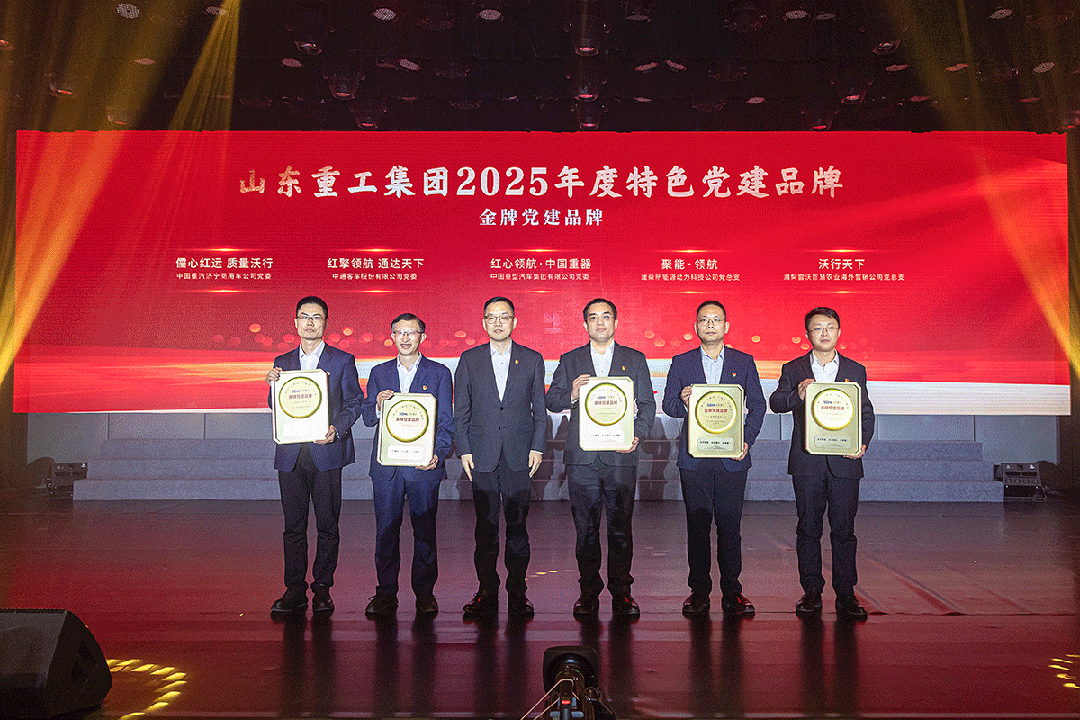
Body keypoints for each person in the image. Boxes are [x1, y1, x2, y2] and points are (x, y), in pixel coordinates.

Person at [546, 298, 656, 617]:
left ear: (616, 322)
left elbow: (647, 405)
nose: (600, 322)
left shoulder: (634, 359)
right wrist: (571, 394)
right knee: (586, 531)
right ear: (585, 325)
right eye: (593, 317)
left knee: (621, 530)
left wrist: (637, 435)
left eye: (606, 316)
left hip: (621, 455)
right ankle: (588, 591)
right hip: (583, 459)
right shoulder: (571, 360)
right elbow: (552, 400)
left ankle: (622, 592)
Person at [769, 307, 875, 620]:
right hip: (807, 462)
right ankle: (812, 591)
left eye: (830, 327)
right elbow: (776, 402)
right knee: (808, 529)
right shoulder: (794, 368)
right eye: (818, 328)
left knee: (844, 531)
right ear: (808, 334)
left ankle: (846, 594)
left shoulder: (855, 370)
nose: (824, 333)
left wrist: (862, 443)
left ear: (839, 331)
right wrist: (796, 396)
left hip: (845, 461)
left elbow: (865, 413)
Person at [661, 300, 766, 616]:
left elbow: (758, 405)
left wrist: (746, 440)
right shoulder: (681, 362)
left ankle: (733, 592)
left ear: (726, 326)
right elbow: (668, 405)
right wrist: (682, 401)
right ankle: (698, 592)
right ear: (695, 326)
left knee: (730, 527)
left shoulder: (743, 361)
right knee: (697, 527)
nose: (710, 324)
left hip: (731, 458)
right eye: (704, 319)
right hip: (695, 459)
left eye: (716, 319)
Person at [266, 295, 363, 615]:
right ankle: (294, 589)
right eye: (304, 316)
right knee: (293, 526)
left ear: (325, 322)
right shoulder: (282, 361)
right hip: (292, 454)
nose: (310, 322)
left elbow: (355, 402)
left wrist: (337, 428)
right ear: (295, 323)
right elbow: (277, 405)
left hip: (326, 452)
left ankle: (322, 588)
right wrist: (272, 386)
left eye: (316, 317)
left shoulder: (342, 360)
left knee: (327, 526)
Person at [454, 297, 547, 617]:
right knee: (486, 528)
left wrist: (538, 447)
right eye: (491, 317)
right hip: (481, 454)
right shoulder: (469, 359)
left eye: (504, 317)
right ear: (483, 323)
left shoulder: (532, 359)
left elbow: (539, 410)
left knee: (518, 527)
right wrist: (464, 449)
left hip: (520, 454)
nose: (497, 323)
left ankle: (518, 593)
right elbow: (461, 410)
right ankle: (486, 591)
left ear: (514, 322)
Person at [361, 312, 453, 617]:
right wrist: (377, 404)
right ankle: (386, 593)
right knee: (386, 531)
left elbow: (445, 421)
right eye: (399, 333)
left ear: (422, 337)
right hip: (387, 468)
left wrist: (437, 454)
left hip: (422, 466)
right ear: (392, 337)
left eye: (411, 333)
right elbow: (368, 417)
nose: (405, 338)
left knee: (424, 532)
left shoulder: (439, 373)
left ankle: (425, 594)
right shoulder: (379, 372)